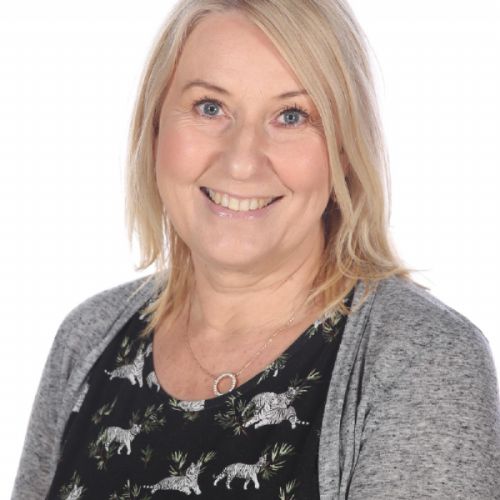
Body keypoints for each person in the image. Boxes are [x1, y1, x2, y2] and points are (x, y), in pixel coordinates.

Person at [11, 0, 500, 498]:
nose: (241, 161)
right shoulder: (88, 339)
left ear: (345, 149)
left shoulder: (421, 363)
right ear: (154, 125)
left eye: (291, 116)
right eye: (209, 107)